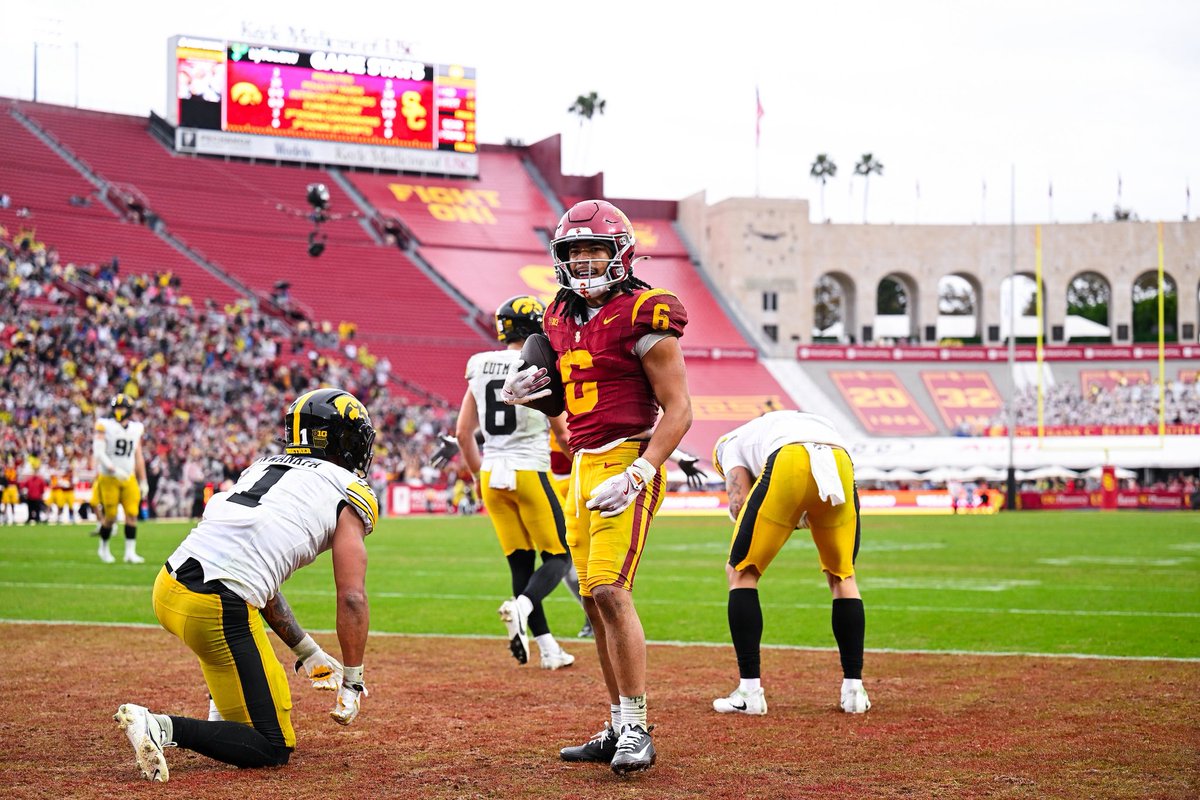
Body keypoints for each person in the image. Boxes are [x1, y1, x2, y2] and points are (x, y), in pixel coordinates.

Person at [503, 199, 693, 775]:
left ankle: (637, 727)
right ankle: (615, 725)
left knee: (611, 590)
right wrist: (533, 391)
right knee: (589, 597)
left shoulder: (646, 312)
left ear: (621, 252)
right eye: (574, 251)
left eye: (595, 249)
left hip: (628, 456)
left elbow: (680, 409)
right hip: (581, 462)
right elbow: (563, 393)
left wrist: (641, 473)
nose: (584, 261)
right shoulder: (557, 317)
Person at [113, 387, 378, 783]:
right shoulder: (347, 490)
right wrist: (354, 681)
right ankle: (160, 727)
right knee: (271, 746)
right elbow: (352, 597)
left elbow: (256, 575)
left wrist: (307, 651)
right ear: (337, 438)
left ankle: (220, 715)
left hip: (170, 586)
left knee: (264, 695)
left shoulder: (261, 467)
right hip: (215, 605)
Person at [709, 410, 870, 717]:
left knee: (741, 572)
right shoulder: (778, 425)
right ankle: (854, 692)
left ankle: (750, 692)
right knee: (843, 576)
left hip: (789, 459)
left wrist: (781, 520)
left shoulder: (728, 446)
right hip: (838, 459)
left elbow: (739, 503)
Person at [457, 295, 576, 671]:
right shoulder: (541, 360)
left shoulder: (477, 364)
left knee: (519, 564)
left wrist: (478, 476)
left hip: (492, 471)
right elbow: (560, 430)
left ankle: (549, 649)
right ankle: (522, 607)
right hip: (529, 470)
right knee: (559, 555)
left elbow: (463, 433)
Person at [92, 394, 149, 563]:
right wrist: (113, 469)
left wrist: (143, 479)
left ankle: (130, 552)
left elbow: (138, 456)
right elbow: (98, 453)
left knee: (132, 513)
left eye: (122, 408)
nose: (119, 411)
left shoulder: (136, 428)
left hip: (128, 476)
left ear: (129, 410)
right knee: (110, 516)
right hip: (109, 476)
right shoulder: (105, 425)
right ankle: (103, 548)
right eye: (116, 408)